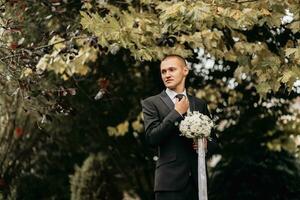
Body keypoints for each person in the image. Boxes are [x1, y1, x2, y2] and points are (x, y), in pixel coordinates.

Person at [141, 55, 218, 200]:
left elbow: (215, 142)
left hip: (198, 183)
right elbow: (152, 138)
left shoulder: (199, 104)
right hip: (169, 184)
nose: (167, 75)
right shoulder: (151, 103)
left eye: (172, 70)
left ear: (185, 70)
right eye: (163, 72)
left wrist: (206, 144)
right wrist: (176, 113)